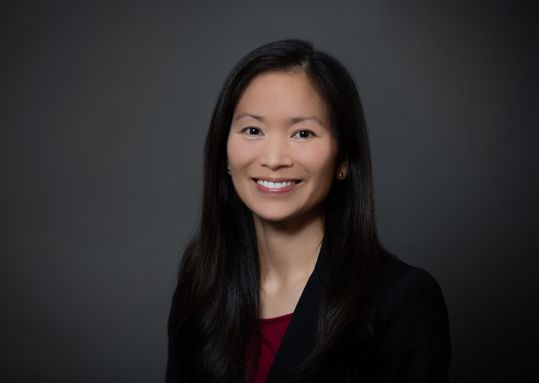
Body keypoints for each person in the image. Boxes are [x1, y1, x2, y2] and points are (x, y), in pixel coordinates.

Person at [166, 39, 451, 382]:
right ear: (224, 151)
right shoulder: (203, 281)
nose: (273, 159)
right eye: (252, 130)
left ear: (343, 159)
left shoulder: (402, 300)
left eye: (303, 133)